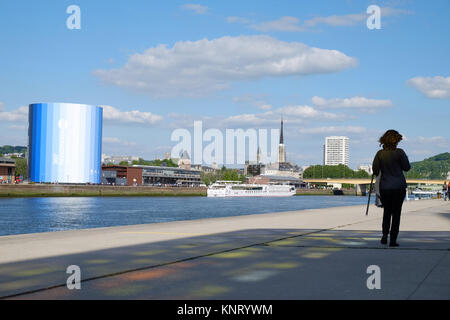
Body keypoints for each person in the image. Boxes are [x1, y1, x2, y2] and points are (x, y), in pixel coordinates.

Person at [372, 130, 411, 247]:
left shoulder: (380, 154)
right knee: (396, 213)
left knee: (387, 212)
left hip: (385, 187)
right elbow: (407, 168)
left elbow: (375, 171)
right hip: (399, 186)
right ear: (397, 140)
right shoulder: (400, 152)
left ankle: (384, 235)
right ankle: (393, 240)